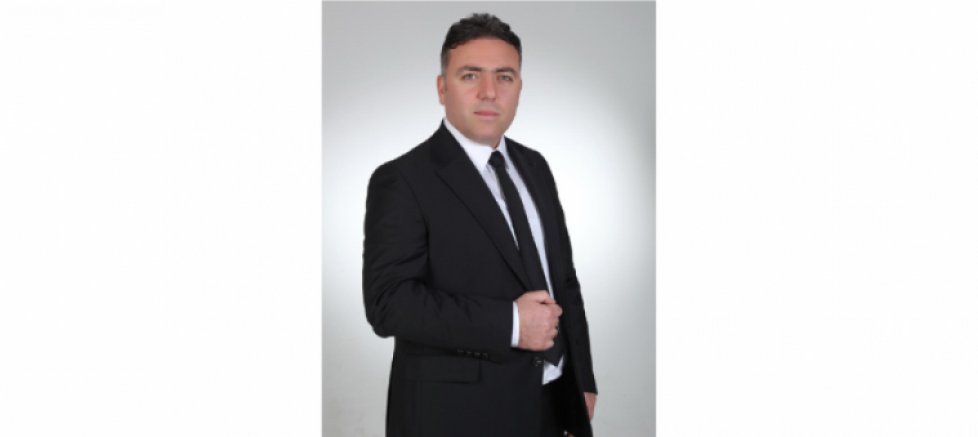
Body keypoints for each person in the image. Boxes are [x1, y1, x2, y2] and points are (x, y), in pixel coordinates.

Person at [362, 13, 597, 437]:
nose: (489, 91)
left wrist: (582, 379)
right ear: (442, 88)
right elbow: (388, 304)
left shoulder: (535, 166)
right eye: (470, 75)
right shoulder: (402, 179)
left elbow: (564, 279)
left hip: (551, 403)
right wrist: (510, 323)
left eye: (504, 77)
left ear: (519, 87)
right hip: (457, 415)